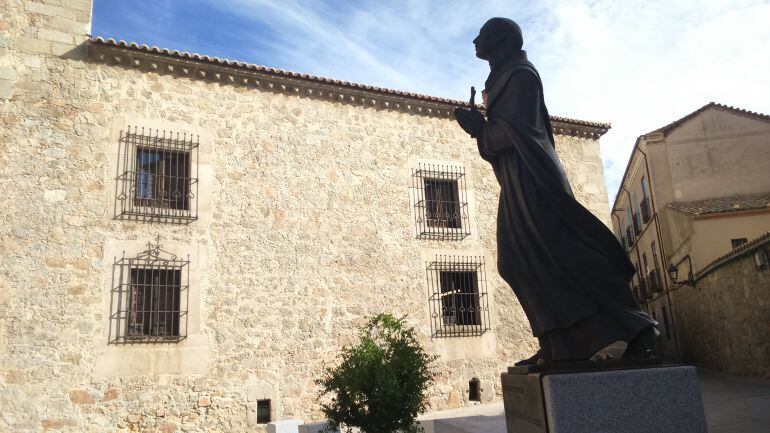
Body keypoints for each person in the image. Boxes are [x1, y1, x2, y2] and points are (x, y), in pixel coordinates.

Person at [454, 18, 658, 365]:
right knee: (515, 261)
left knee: (564, 250)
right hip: (517, 182)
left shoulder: (521, 76)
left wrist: (479, 129)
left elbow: (519, 134)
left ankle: (637, 326)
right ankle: (558, 344)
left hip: (535, 179)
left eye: (483, 34)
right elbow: (503, 138)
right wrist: (483, 129)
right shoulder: (504, 78)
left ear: (501, 39)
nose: (475, 40)